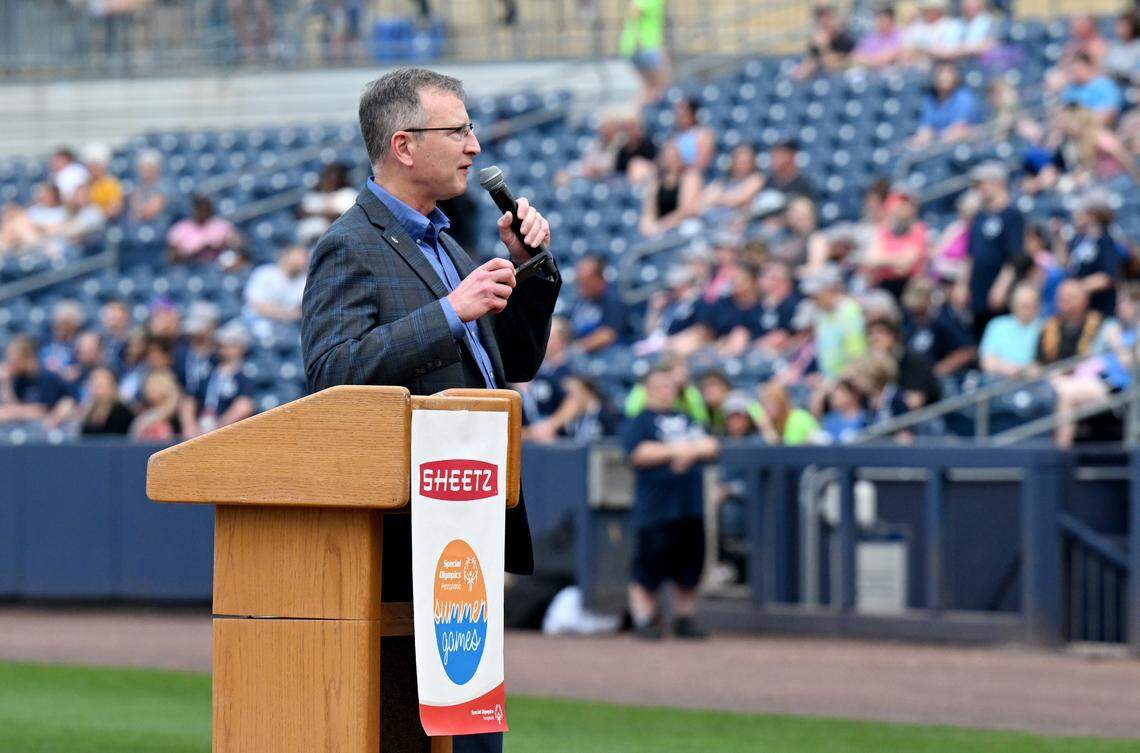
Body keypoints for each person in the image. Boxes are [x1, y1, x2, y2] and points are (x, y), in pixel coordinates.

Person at [299, 67, 559, 753]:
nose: (475, 145)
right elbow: (331, 373)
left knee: (471, 732)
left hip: (463, 526)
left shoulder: (446, 242)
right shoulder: (348, 245)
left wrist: (530, 270)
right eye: (459, 130)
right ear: (405, 146)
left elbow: (514, 364)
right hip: (400, 534)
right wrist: (450, 311)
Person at [619, 364, 720, 640]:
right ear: (648, 389)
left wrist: (680, 451)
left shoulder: (688, 419)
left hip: (690, 506)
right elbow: (639, 453)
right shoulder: (639, 421)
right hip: (656, 508)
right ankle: (645, 618)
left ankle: (684, 618)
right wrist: (683, 450)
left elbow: (712, 445)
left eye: (670, 386)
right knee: (649, 567)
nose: (667, 391)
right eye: (661, 386)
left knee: (689, 567)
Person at [956, 160, 1024, 341]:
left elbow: (1014, 256)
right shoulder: (979, 216)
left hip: (998, 289)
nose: (979, 189)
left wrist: (1002, 286)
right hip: (977, 290)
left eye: (982, 184)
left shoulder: (1012, 215)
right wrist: (962, 285)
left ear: (997, 183)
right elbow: (969, 254)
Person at [185, 321, 256, 436]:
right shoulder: (208, 372)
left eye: (230, 344)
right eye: (221, 344)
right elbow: (189, 400)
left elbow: (244, 406)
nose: (223, 348)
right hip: (201, 428)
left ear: (241, 347)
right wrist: (190, 425)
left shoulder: (245, 375)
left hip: (230, 433)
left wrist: (218, 427)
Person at [1064, 192, 1123, 319]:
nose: (1076, 215)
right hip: (1080, 313)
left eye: (1082, 211)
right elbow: (1066, 265)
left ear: (1093, 215)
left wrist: (1077, 288)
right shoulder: (1079, 239)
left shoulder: (1105, 240)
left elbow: (1106, 278)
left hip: (1100, 310)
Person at [0, 334, 75, 429]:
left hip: (55, 428)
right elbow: (13, 406)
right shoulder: (18, 379)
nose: (10, 363)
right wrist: (6, 384)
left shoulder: (47, 377)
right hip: (29, 428)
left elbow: (44, 410)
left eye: (14, 359)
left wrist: (13, 412)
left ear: (28, 358)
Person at [908, 63, 981, 149]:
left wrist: (933, 136)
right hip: (937, 144)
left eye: (948, 73)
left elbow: (958, 130)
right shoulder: (930, 99)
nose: (944, 77)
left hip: (960, 146)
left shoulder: (964, 97)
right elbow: (925, 129)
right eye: (940, 73)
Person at [567, 255, 631, 353]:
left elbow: (608, 334)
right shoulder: (580, 300)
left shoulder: (613, 300)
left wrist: (576, 348)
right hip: (580, 355)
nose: (580, 286)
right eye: (579, 281)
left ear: (599, 279)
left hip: (609, 354)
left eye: (585, 281)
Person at [639, 142, 702, 237]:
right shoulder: (656, 180)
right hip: (660, 227)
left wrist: (663, 225)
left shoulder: (690, 177)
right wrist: (648, 225)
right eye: (667, 156)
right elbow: (649, 209)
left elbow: (685, 210)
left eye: (674, 156)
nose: (670, 159)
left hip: (679, 225)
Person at [244, 244, 309, 334]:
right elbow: (257, 305)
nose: (302, 261)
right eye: (297, 257)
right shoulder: (264, 273)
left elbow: (300, 312)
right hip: (255, 324)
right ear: (285, 257)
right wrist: (285, 313)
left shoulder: (305, 281)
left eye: (304, 258)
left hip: (287, 330)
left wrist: (277, 310)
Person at [979, 283, 1042, 377]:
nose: (1026, 310)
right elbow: (986, 362)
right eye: (1022, 305)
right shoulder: (997, 325)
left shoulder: (1044, 327)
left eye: (1030, 305)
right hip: (997, 380)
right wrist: (1011, 369)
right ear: (1013, 305)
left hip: (1031, 382)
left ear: (1038, 306)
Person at [1036, 280, 1103, 367]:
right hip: (1052, 377)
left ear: (1084, 301)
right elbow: (1038, 362)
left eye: (1070, 297)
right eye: (1061, 297)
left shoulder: (1100, 324)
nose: (1063, 301)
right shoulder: (1048, 326)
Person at [166, 194, 240, 264]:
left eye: (204, 209)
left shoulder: (221, 225)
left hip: (216, 263)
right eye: (199, 209)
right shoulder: (182, 227)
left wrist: (217, 247)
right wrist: (190, 254)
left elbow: (238, 243)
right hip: (190, 264)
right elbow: (170, 255)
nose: (202, 213)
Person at [620, 0, 669, 104]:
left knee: (652, 87)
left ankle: (639, 112)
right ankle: (638, 112)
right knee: (658, 85)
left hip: (643, 47)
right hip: (644, 47)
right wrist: (638, 40)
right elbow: (634, 12)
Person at [793, 4, 856, 80]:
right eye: (822, 22)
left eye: (828, 19)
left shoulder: (845, 40)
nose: (826, 24)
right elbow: (808, 63)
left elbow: (833, 67)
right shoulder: (817, 43)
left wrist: (824, 47)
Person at [1060, 53, 1123, 124]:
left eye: (1078, 69)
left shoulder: (1104, 85)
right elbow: (1064, 110)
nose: (1075, 73)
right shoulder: (1070, 88)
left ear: (1088, 68)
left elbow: (1111, 112)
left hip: (1099, 127)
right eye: (1073, 70)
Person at [129, 369, 186, 441]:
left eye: (156, 384)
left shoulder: (179, 413)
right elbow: (135, 434)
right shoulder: (146, 412)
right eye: (150, 385)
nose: (150, 389)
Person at [79, 366, 135, 436]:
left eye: (101, 385)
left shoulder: (124, 414)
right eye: (94, 384)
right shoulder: (86, 414)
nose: (98, 390)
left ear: (113, 386)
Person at [82, 143, 123, 220]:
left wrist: (96, 212)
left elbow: (114, 209)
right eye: (91, 165)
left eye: (96, 165)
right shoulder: (85, 182)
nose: (93, 168)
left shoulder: (110, 183)